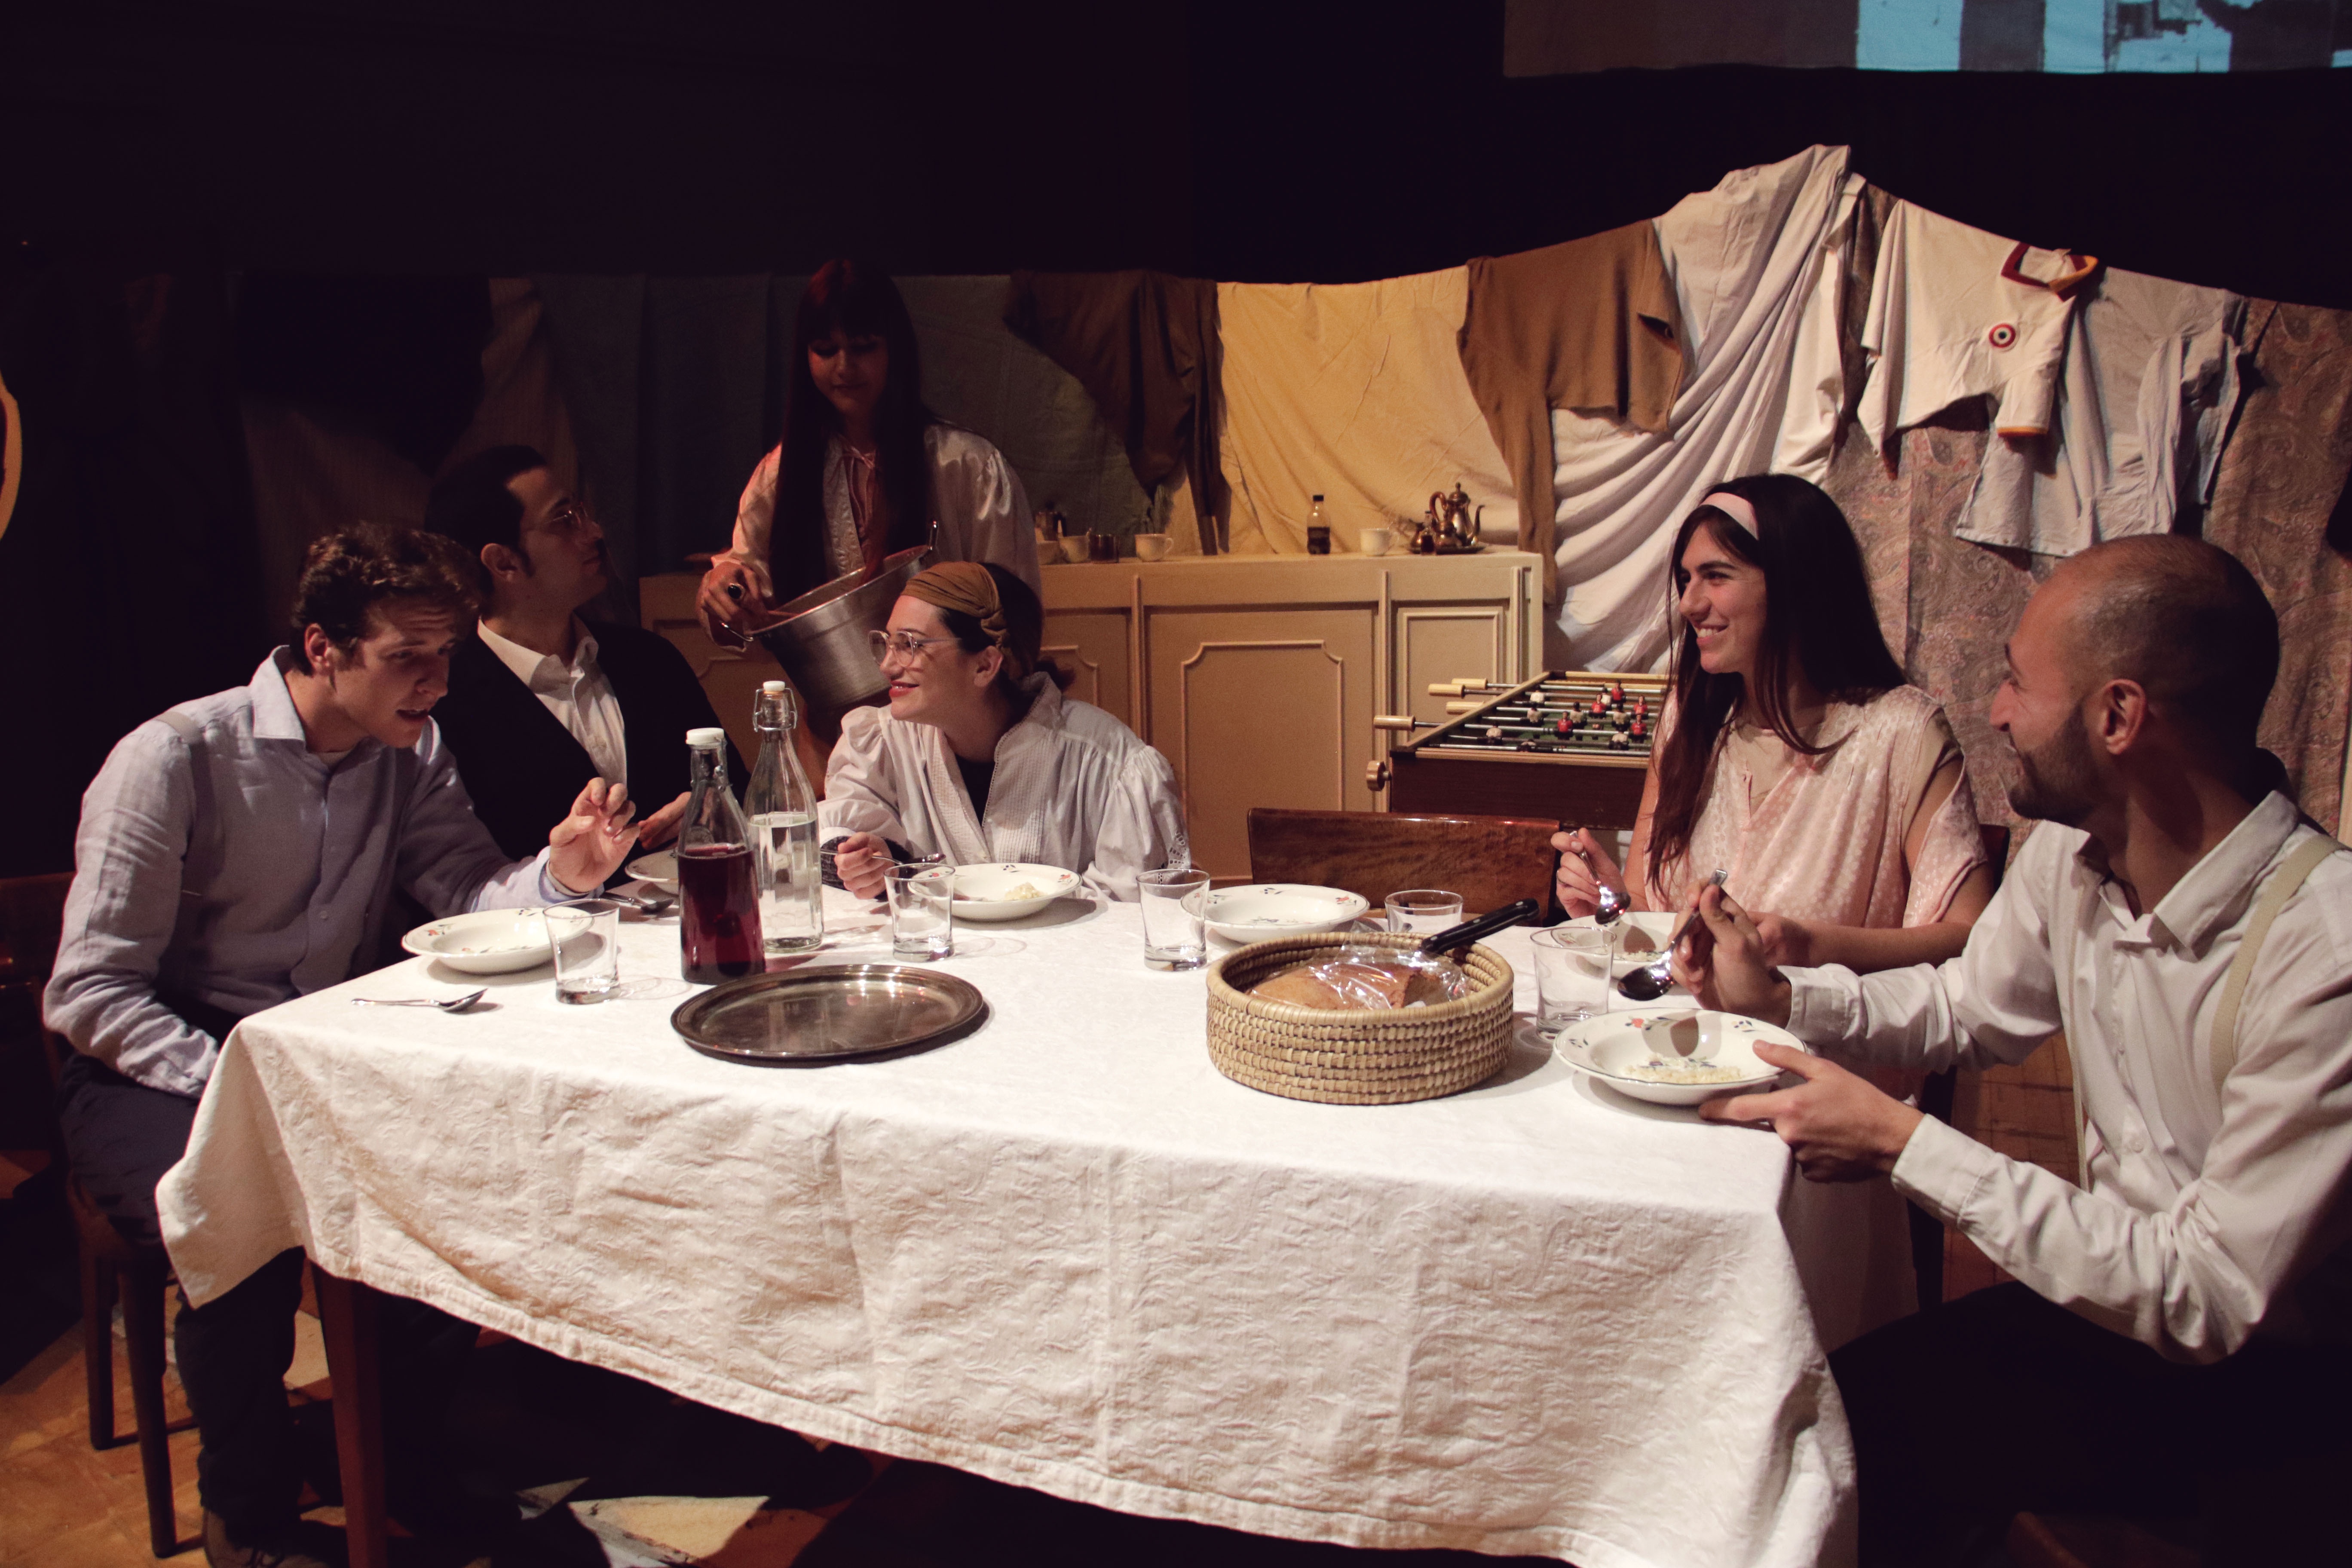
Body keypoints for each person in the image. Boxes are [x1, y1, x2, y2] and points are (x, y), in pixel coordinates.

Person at [1675, 536, 2352, 1562]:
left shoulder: (2324, 949)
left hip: (2274, 1399)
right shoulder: (2072, 855)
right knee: (1817, 1416)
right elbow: (1968, 1008)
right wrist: (1783, 998)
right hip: (2118, 1314)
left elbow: (2208, 1295)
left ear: (2117, 716)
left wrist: (1902, 1144)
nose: (1995, 712)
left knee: (1846, 1452)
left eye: (2017, 682)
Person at [46, 525, 646, 1568]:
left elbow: (466, 895)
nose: (437, 683)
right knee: (242, 1221)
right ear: (323, 649)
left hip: (306, 1051)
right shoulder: (175, 758)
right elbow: (92, 992)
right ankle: (249, 1517)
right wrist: (238, 1085)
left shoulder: (409, 751)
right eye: (407, 658)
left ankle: (396, 1464)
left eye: (445, 655)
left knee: (451, 1189)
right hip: (153, 1063)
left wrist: (564, 876)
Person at [1553, 474, 1995, 972]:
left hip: (1820, 1024)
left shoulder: (1904, 734)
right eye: (1686, 579)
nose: (1689, 603)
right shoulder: (1686, 718)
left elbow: (1969, 938)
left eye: (1716, 576)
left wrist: (1810, 947)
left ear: (1794, 583)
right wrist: (1615, 907)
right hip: (1683, 1022)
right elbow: (1653, 915)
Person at [695, 258, 1041, 652]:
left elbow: (1016, 619)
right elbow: (738, 628)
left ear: (895, 349)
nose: (845, 367)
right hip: (830, 691)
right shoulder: (781, 474)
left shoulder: (968, 467)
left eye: (863, 347)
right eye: (826, 350)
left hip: (953, 690)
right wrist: (723, 591)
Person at [423, 444, 743, 862]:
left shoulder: (649, 659)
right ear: (504, 563)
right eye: (564, 520)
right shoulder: (446, 700)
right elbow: (456, 870)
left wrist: (714, 808)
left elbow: (741, 787)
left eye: (581, 512)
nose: (593, 532)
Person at [823, 561, 1185, 900]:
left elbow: (1137, 909)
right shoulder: (883, 742)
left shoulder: (1107, 762)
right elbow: (837, 827)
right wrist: (877, 862)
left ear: (985, 665)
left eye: (909, 645)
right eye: (888, 643)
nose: (888, 666)